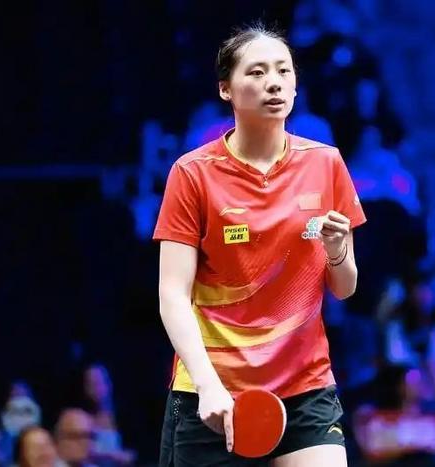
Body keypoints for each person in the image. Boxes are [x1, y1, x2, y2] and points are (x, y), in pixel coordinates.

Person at [154, 22, 366, 466]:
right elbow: (172, 294)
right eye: (256, 72)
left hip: (305, 385)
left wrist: (337, 251)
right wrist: (207, 383)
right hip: (212, 390)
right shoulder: (192, 174)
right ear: (225, 89)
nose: (274, 82)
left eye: (283, 70)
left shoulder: (325, 163)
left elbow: (345, 287)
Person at [80, 364, 135, 465]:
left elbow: (134, 453)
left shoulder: (124, 416)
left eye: (98, 383)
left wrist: (118, 456)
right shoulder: (81, 418)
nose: (95, 389)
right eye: (90, 384)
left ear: (109, 384)